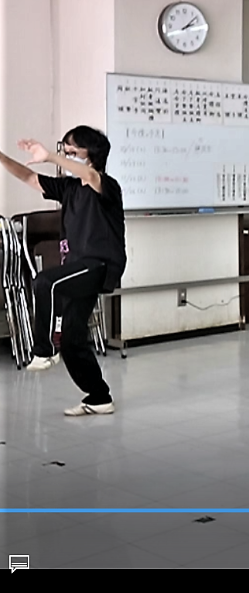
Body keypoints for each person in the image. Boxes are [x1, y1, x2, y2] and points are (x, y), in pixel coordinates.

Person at [0, 126, 126, 416]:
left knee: (45, 282)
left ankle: (44, 350)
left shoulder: (106, 185)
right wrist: (1, 158)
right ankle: (99, 397)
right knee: (72, 339)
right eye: (64, 149)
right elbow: (29, 177)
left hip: (100, 265)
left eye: (72, 149)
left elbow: (90, 176)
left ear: (91, 153)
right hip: (77, 269)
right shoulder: (68, 188)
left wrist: (51, 157)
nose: (67, 154)